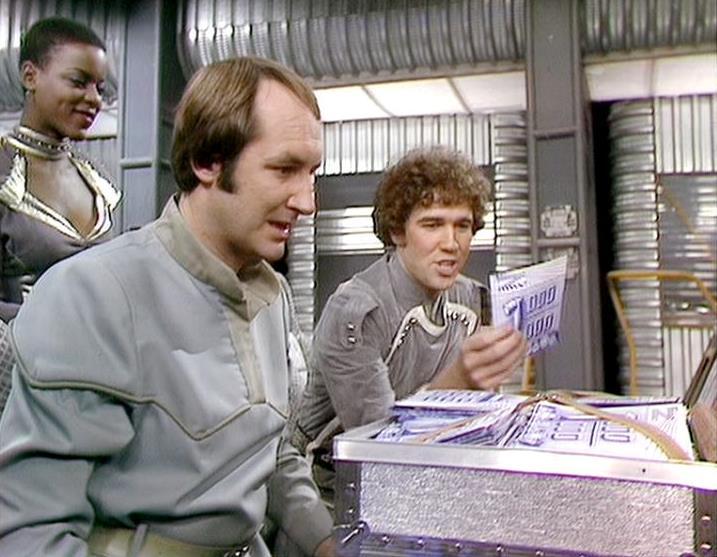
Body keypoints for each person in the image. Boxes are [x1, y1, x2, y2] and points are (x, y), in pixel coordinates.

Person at [0, 56, 334, 557]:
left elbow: (272, 454)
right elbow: (31, 533)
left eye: (311, 174)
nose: (307, 202)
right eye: (284, 169)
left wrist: (328, 541)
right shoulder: (93, 296)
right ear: (207, 161)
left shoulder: (271, 295)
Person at [290, 147, 529, 506]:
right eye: (432, 225)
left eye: (462, 226)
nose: (451, 244)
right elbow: (378, 446)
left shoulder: (470, 298)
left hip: (426, 479)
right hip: (328, 492)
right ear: (398, 231)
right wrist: (459, 379)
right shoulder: (355, 310)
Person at [0, 16, 120, 323]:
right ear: (30, 76)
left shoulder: (97, 181)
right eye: (78, 82)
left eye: (99, 87)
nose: (94, 99)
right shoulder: (4, 174)